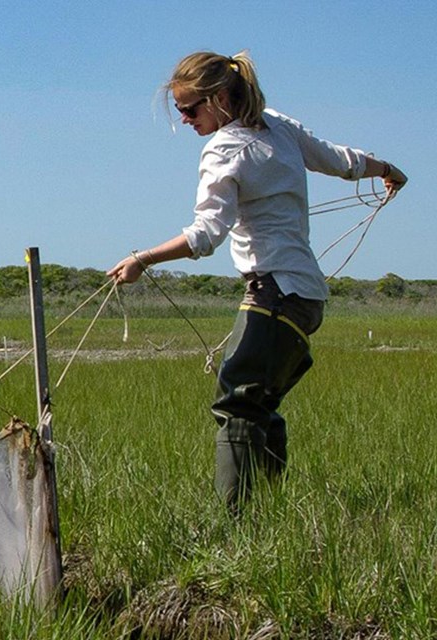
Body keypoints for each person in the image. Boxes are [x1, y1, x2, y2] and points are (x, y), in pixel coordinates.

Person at [107, 50, 407, 510]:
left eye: (190, 109)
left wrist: (142, 259)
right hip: (306, 298)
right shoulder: (279, 126)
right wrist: (385, 169)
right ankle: (271, 511)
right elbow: (340, 160)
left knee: (237, 406)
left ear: (221, 98)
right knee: (259, 404)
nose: (185, 120)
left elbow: (206, 233)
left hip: (274, 294)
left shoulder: (225, 148)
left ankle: (235, 524)